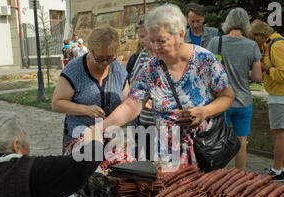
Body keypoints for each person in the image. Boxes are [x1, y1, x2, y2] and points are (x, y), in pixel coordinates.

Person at [95, 4, 234, 166]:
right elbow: (131, 105)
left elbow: (227, 96)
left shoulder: (205, 60)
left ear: (180, 35)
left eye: (161, 41)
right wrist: (99, 128)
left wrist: (204, 112)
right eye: (152, 41)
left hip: (204, 152)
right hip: (166, 157)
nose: (154, 47)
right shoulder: (151, 69)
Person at [52, 25, 129, 149]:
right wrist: (86, 110)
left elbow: (127, 104)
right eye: (99, 59)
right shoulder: (74, 70)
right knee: (83, 169)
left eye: (110, 58)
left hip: (111, 140)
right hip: (79, 139)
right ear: (90, 50)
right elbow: (56, 103)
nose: (105, 63)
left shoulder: (119, 71)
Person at [206, 8, 262, 169]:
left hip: (221, 103)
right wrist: (245, 71)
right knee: (242, 142)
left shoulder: (215, 42)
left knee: (218, 142)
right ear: (246, 24)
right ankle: (239, 179)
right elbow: (258, 77)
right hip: (244, 102)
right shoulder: (252, 46)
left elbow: (205, 70)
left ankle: (217, 179)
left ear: (228, 22)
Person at [249, 20, 284, 180]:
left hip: (283, 96)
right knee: (278, 131)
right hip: (279, 95)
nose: (255, 43)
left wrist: (266, 69)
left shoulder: (277, 46)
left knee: (279, 133)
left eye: (254, 39)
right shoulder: (270, 44)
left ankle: (276, 170)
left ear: (261, 36)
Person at [125, 14, 156, 159]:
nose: (141, 40)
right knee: (143, 164)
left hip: (164, 127)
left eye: (143, 36)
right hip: (143, 122)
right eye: (139, 36)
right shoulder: (143, 55)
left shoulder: (167, 56)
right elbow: (133, 83)